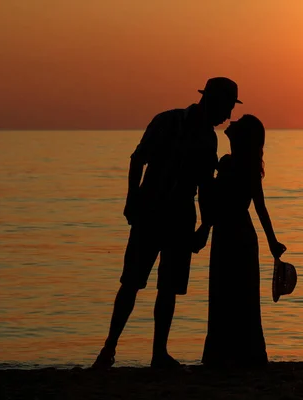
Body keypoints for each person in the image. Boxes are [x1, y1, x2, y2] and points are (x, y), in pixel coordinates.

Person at [92, 77, 242, 369]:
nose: (228, 116)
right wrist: (132, 199)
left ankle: (158, 353)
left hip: (181, 216)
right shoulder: (167, 121)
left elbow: (204, 187)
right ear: (211, 100)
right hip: (150, 211)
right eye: (226, 108)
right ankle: (109, 348)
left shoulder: (208, 138)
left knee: (169, 288)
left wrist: (204, 228)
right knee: (131, 282)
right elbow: (138, 160)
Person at [193, 114, 286, 367]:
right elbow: (259, 208)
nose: (231, 122)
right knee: (239, 296)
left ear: (243, 135)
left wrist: (203, 227)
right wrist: (272, 242)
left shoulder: (231, 164)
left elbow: (241, 204)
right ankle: (247, 354)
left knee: (227, 294)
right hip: (238, 233)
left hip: (229, 233)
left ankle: (223, 355)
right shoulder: (243, 166)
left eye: (239, 122)